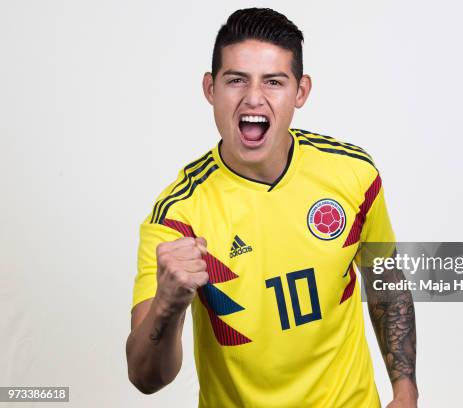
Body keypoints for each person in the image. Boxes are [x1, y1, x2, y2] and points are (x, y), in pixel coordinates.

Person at [126, 7, 418, 408]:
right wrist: (166, 305)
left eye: (274, 82)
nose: (254, 98)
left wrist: (405, 390)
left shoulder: (354, 174)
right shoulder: (177, 218)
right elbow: (144, 378)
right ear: (210, 89)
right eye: (236, 80)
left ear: (301, 91)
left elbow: (385, 277)